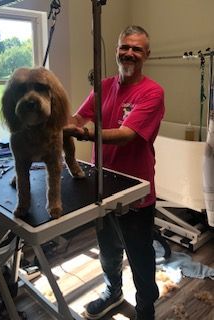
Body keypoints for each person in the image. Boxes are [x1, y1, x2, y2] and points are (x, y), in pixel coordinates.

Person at [64, 25, 165, 320]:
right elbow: (78, 117)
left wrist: (85, 133)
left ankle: (145, 309)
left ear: (146, 54)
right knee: (108, 249)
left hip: (135, 191)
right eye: (125, 47)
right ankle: (113, 291)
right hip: (102, 186)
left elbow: (126, 134)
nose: (129, 53)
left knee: (140, 258)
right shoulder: (104, 86)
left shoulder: (152, 92)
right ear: (117, 50)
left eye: (136, 49)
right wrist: (53, 115)